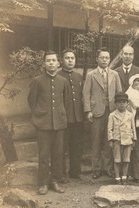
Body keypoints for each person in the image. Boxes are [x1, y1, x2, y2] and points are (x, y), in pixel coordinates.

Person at [28, 51, 69, 195]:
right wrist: (38, 116)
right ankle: (43, 183)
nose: (51, 63)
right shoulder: (37, 81)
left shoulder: (63, 81)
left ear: (58, 63)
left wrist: (61, 117)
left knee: (58, 154)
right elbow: (32, 102)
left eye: (54, 60)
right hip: (43, 124)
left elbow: (65, 101)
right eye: (48, 60)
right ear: (44, 63)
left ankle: (55, 181)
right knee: (44, 155)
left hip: (59, 124)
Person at [83, 47, 122, 179]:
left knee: (109, 140)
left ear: (109, 59)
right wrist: (88, 111)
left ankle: (108, 168)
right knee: (96, 141)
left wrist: (118, 111)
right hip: (96, 111)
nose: (104, 60)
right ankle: (96, 169)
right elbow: (86, 93)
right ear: (97, 59)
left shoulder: (114, 75)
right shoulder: (91, 75)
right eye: (102, 57)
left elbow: (119, 93)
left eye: (107, 57)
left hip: (111, 112)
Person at [58, 48, 84, 182]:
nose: (70, 60)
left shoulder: (78, 76)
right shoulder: (57, 76)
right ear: (62, 60)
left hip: (78, 117)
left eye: (72, 58)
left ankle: (75, 171)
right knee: (62, 147)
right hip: (64, 118)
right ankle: (61, 173)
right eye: (67, 58)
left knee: (76, 146)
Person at [108, 92, 137, 185]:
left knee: (126, 160)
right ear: (116, 104)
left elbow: (133, 128)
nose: (121, 104)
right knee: (117, 160)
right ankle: (117, 177)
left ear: (127, 103)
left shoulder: (130, 115)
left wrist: (134, 139)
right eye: (119, 102)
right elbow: (109, 129)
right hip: (117, 140)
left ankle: (124, 177)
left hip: (128, 140)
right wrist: (111, 140)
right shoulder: (112, 115)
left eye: (124, 102)